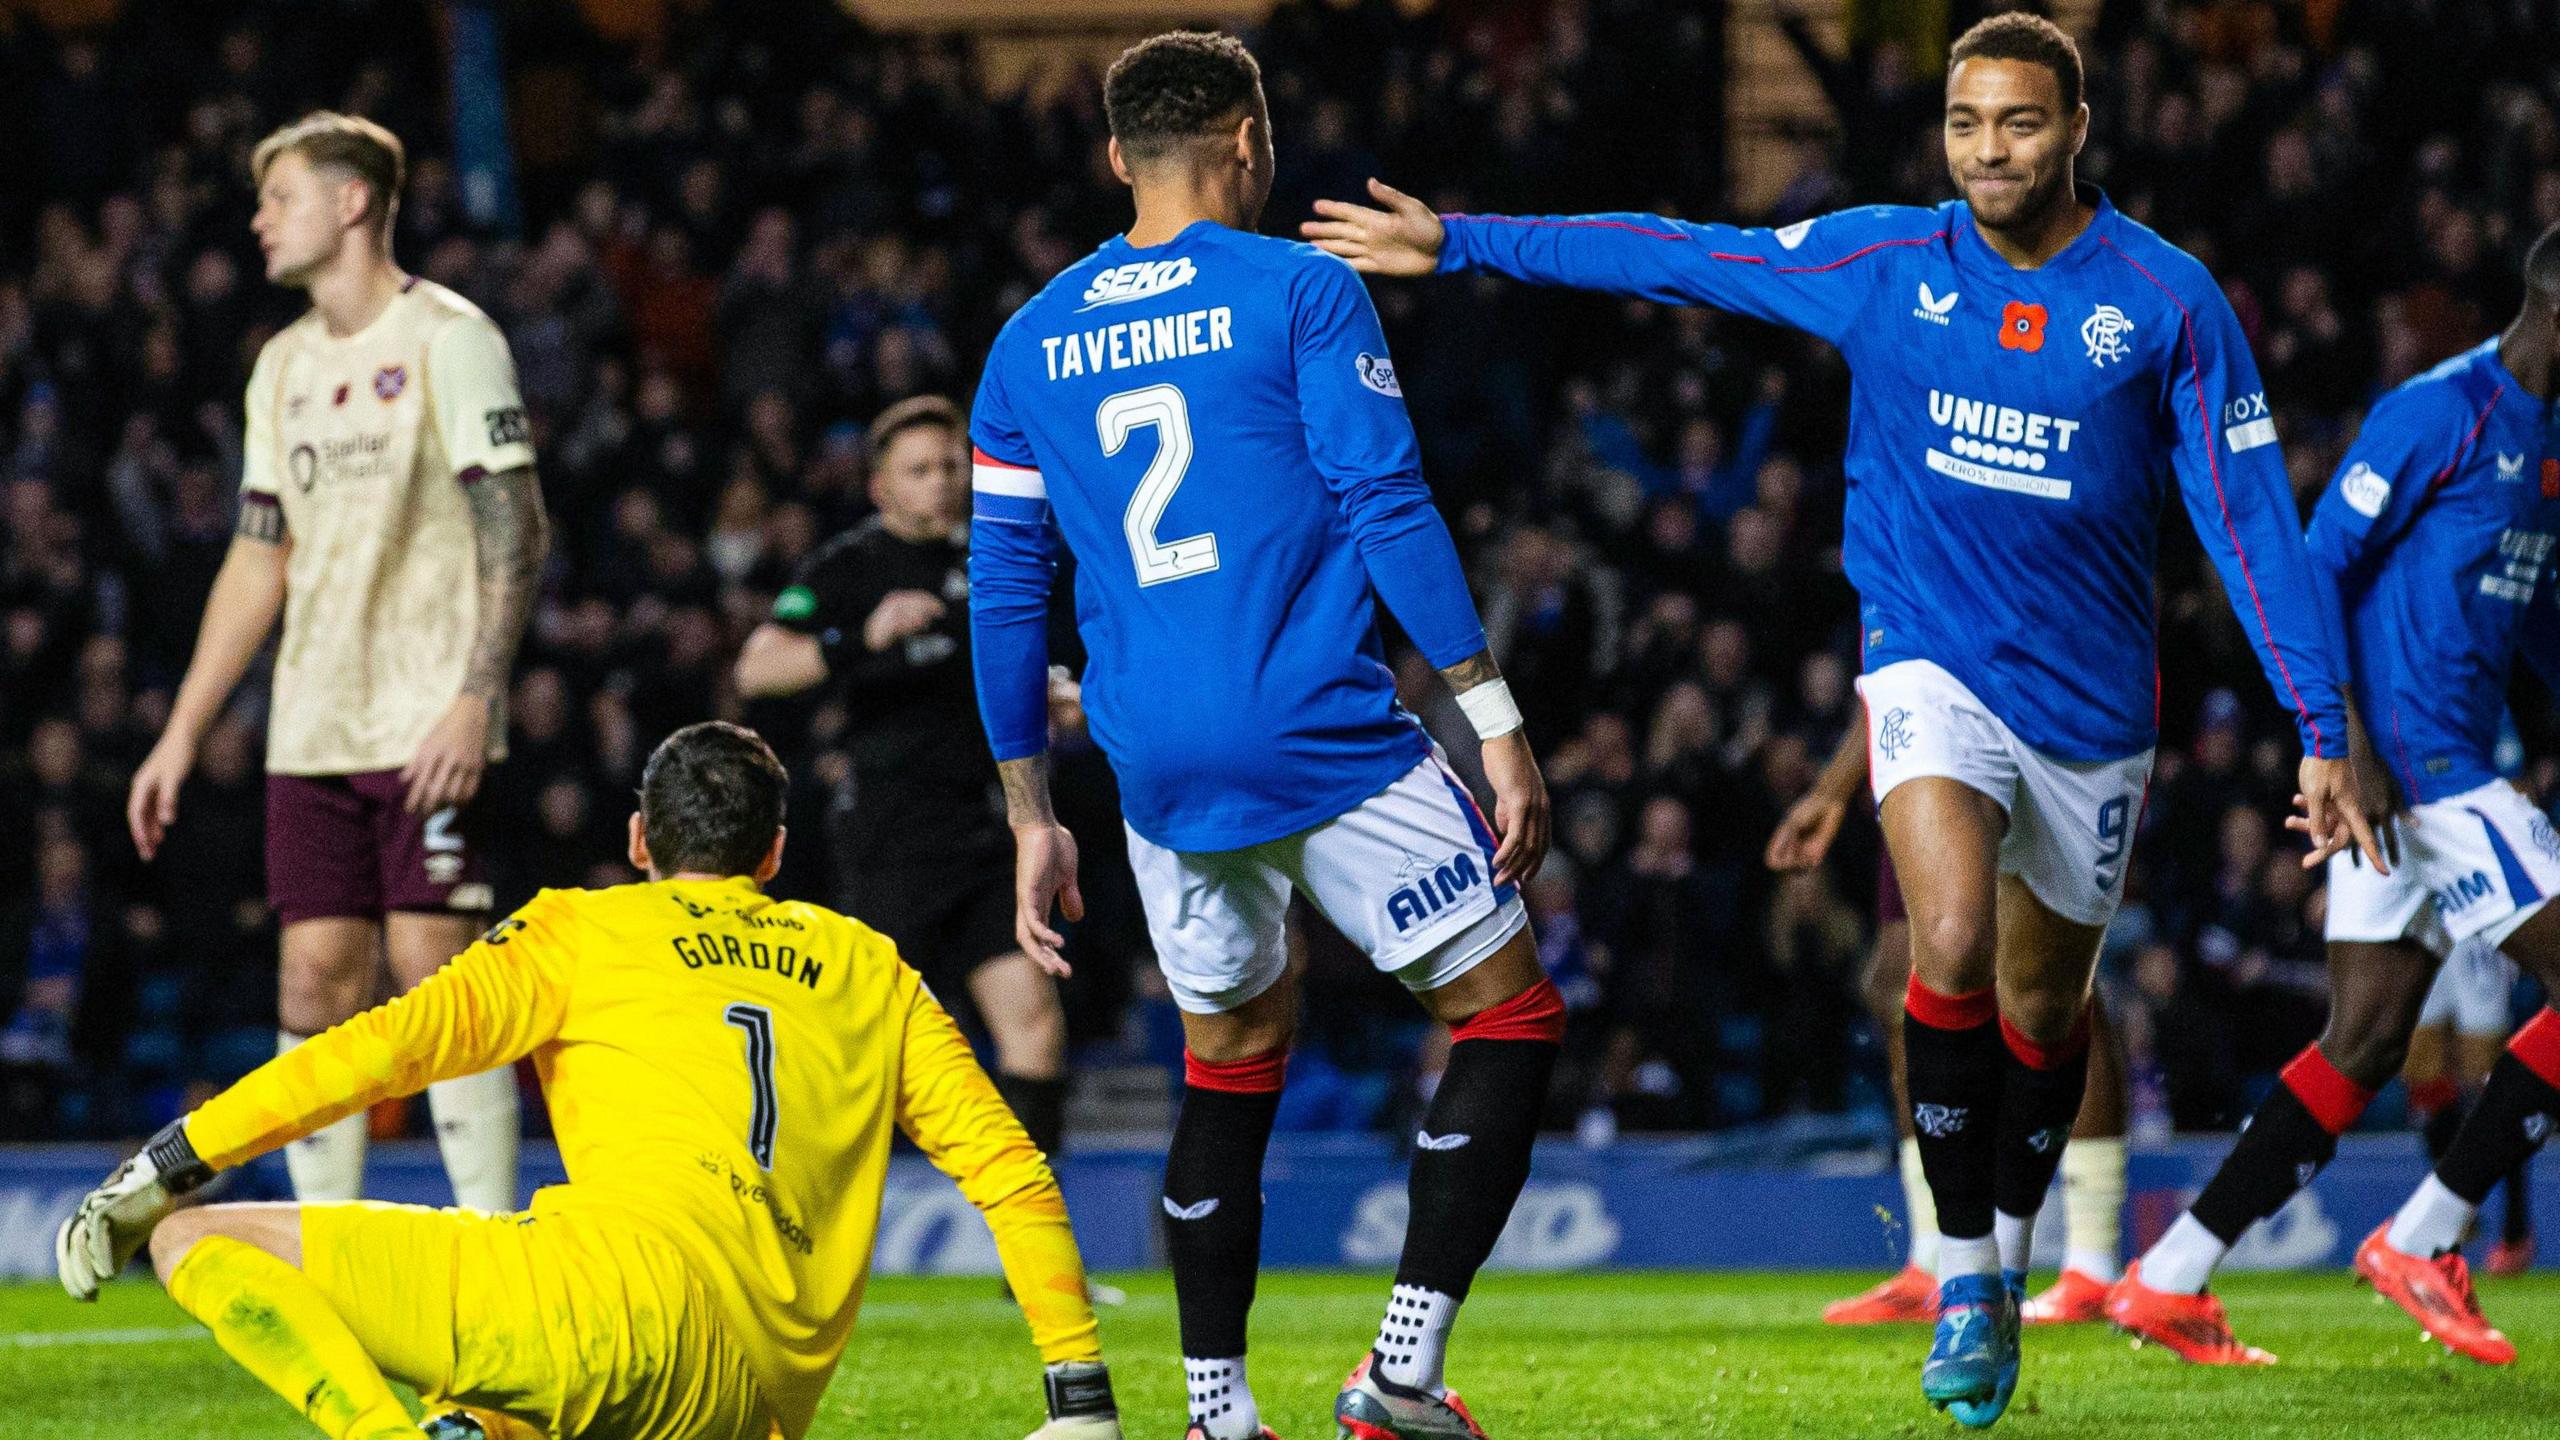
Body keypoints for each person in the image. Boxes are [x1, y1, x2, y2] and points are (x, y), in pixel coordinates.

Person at [1306, 13, 2381, 1427]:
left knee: (2048, 1012)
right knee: (1939, 941)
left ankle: (2004, 1236)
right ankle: (1968, 1277)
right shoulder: (1885, 260)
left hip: (2093, 710)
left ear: (2075, 131)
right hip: (1928, 666)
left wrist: (2320, 719)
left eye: (2017, 123)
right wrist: (1467, 242)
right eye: (1965, 122)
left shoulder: (2168, 302)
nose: (1988, 149)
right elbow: (1679, 251)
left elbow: (2249, 528)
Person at [970, 31, 1561, 1440]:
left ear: (1118, 156)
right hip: (1315, 728)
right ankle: (1399, 1373)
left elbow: (1004, 589)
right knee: (1509, 1012)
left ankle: (1216, 1414)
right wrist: (1494, 719)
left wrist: (1030, 813)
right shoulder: (1303, 288)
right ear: (1249, 140)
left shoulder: (1027, 340)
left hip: (1152, 765)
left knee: (1229, 1054)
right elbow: (1387, 502)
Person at [58, 722, 1121, 1440]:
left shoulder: (585, 928)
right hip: (757, 1398)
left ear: (637, 840)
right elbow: (1009, 1171)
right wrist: (1080, 1396)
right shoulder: (870, 968)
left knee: (198, 1241)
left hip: (605, 1314)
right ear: (775, 854)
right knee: (485, 1408)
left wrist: (172, 1160)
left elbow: (378, 1049)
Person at [2107, 221, 2560, 1367]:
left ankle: (2168, 1277)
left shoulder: (2545, 444)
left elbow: (2534, 617)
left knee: (2359, 1042)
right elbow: (2312, 567)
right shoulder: (2439, 414)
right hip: (2415, 766)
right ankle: (2427, 1234)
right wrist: (2340, 740)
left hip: (2437, 766)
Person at [123, 112, 543, 1210]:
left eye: (280, 197)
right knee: (312, 977)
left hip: (427, 715)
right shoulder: (282, 368)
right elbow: (259, 557)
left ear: (352, 201)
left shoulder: (450, 337)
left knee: (437, 970)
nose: (259, 220)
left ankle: (493, 1245)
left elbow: (516, 523)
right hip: (312, 720)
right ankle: (328, 1252)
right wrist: (182, 730)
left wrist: (474, 697)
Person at [734, 396, 1077, 1172]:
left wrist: (1058, 700)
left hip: (989, 831)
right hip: (891, 837)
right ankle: (807, 1213)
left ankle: (1035, 1246)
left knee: (1035, 1025)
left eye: (952, 464)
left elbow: (1040, 666)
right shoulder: (851, 567)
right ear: (881, 487)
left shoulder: (1001, 556)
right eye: (920, 470)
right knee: (868, 1048)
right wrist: (861, 637)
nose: (942, 481)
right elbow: (759, 666)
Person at [1768, 701, 2131, 1328]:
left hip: (2038, 715)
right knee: (1896, 978)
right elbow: (1887, 652)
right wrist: (1836, 786)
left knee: (2053, 983)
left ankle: (2091, 1262)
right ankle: (1936, 1256)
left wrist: (1833, 785)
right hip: (1928, 733)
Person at [2402, 936, 2532, 1276]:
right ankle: (2455, 1213)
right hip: (2425, 928)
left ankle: (2515, 1232)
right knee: (2425, 1083)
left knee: (2490, 1089)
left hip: (2473, 921)